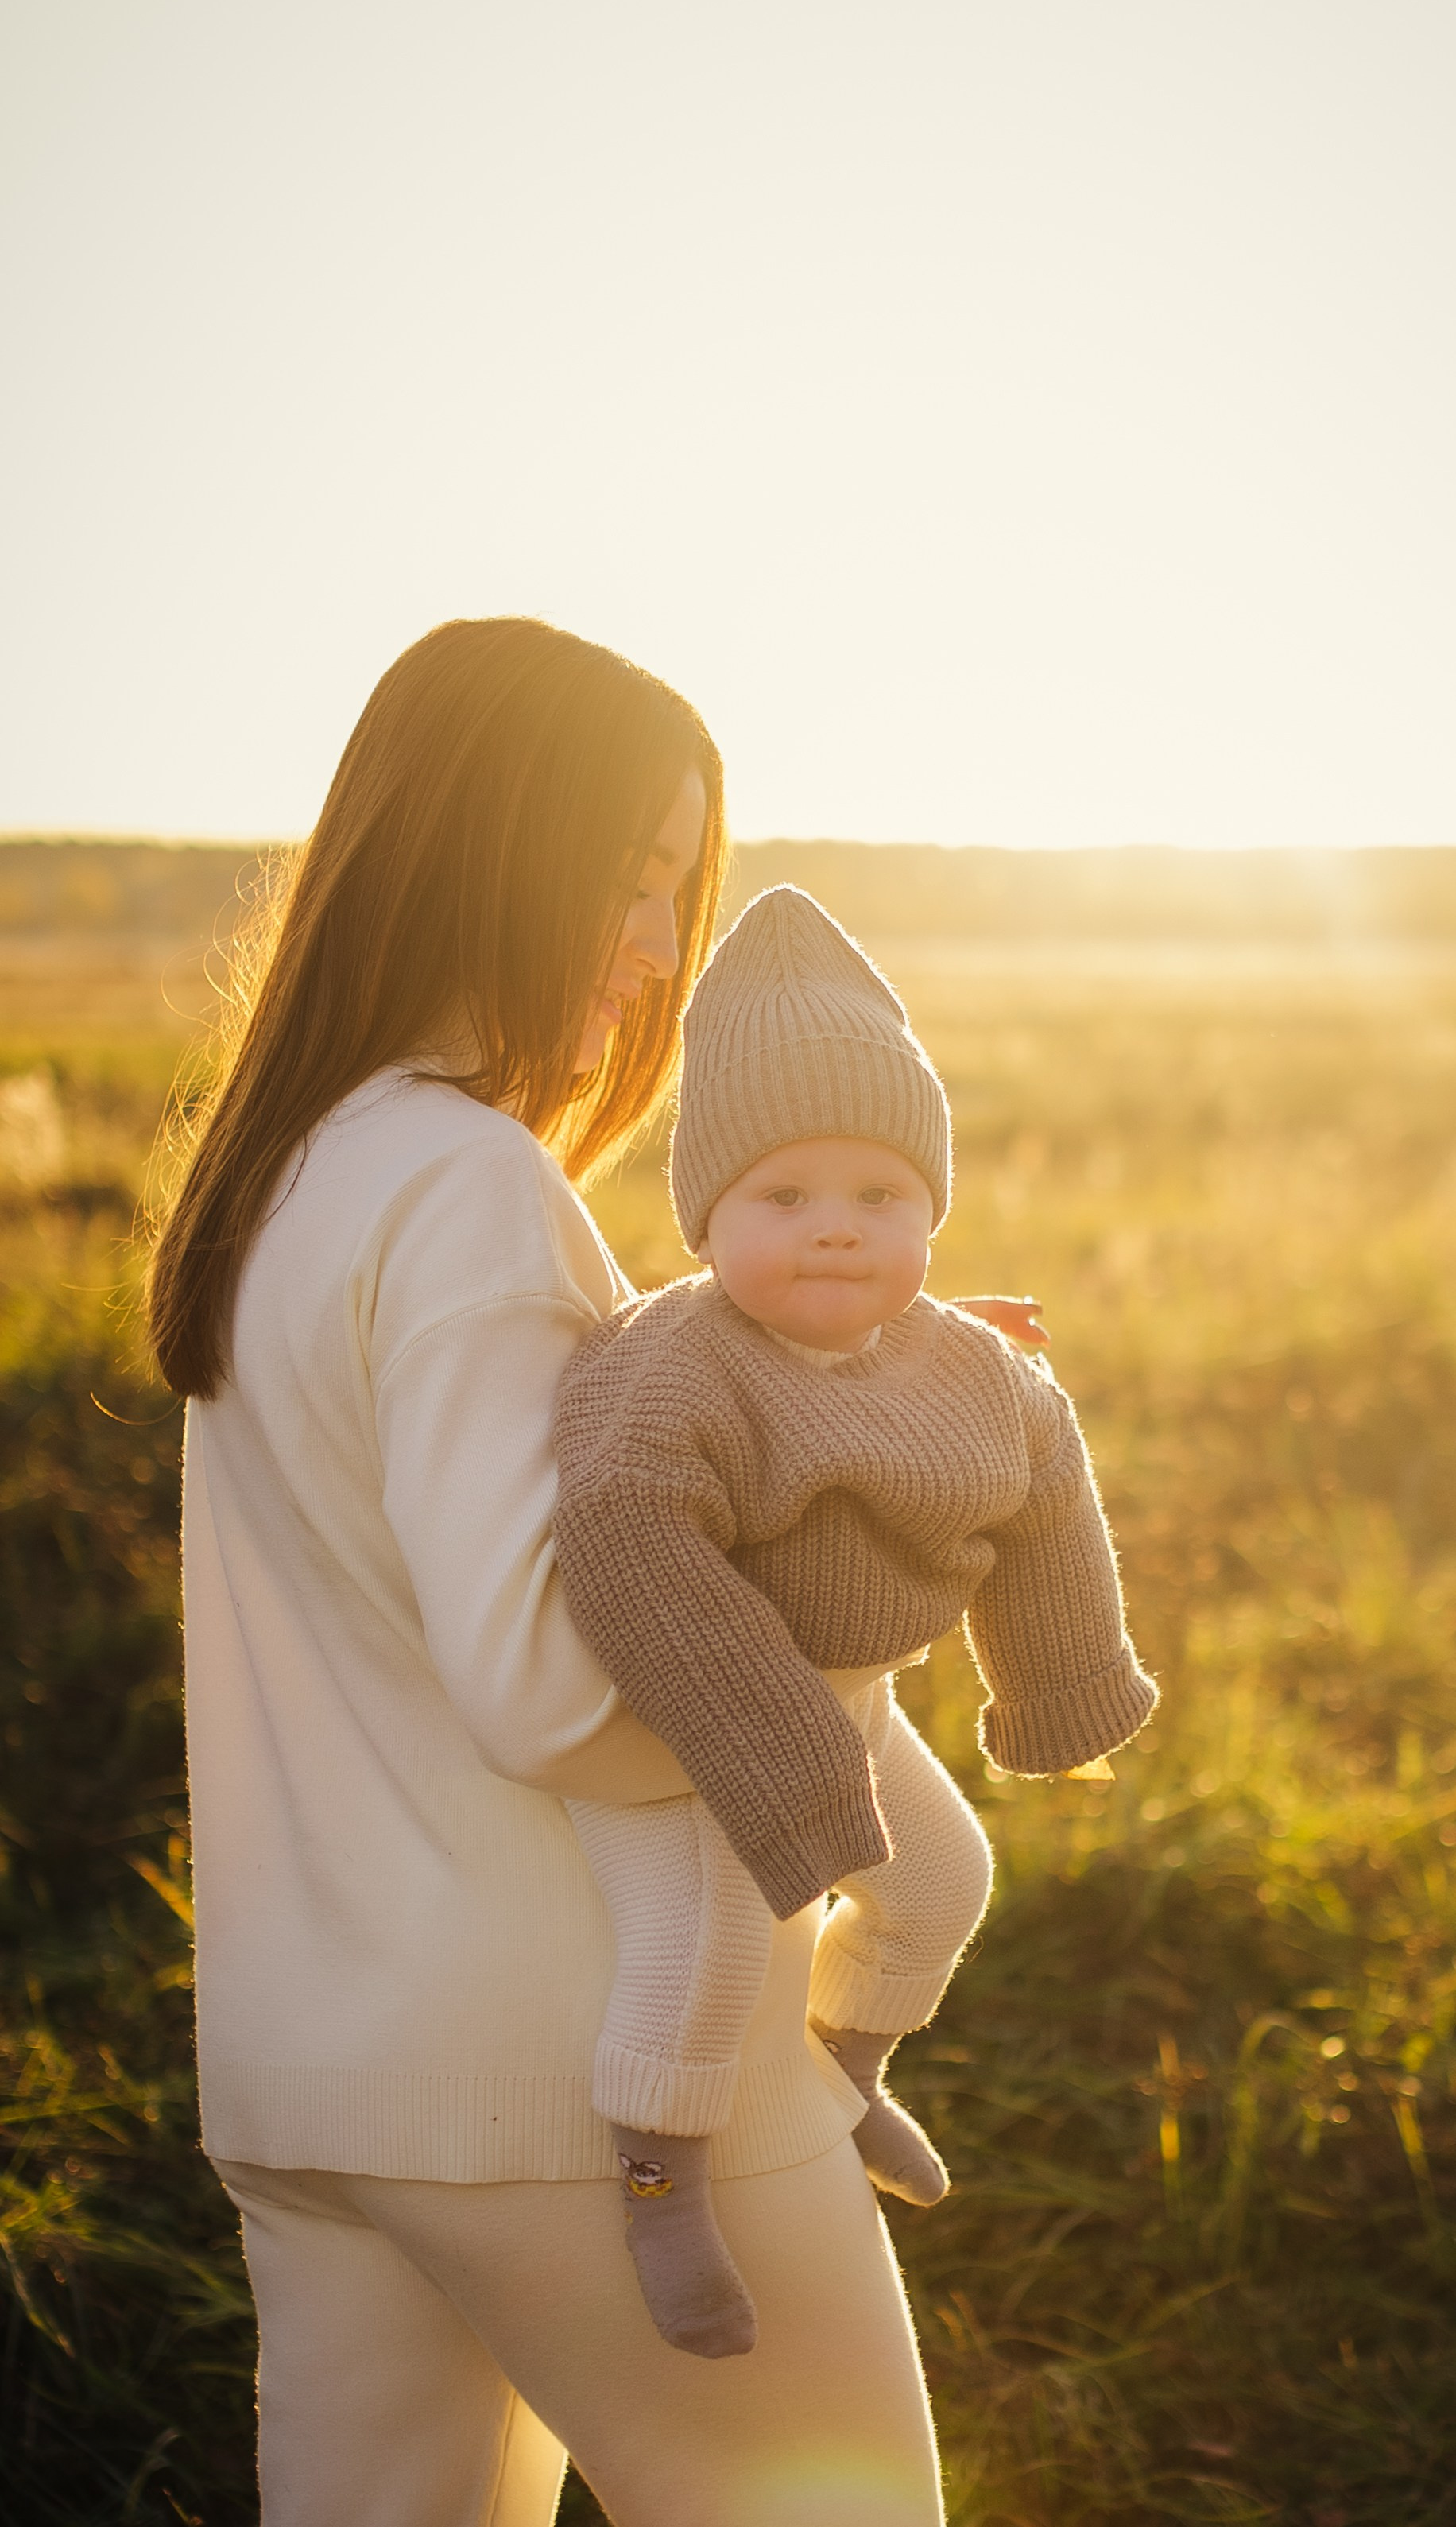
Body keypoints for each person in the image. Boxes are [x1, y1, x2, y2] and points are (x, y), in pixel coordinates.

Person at [147, 617, 1036, 2525]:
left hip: (317, 2075)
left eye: (675, 891)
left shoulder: (290, 1172)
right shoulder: (471, 1187)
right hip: (574, 2076)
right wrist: (860, 1590)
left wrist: (816, 1400)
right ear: (487, 851)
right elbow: (553, 1685)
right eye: (626, 879)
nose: (653, 953)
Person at [553, 886, 1157, 2361]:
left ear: (933, 1214)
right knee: (707, 1947)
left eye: (882, 1197)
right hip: (690, 1718)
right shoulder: (673, 1365)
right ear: (706, 1218)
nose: (836, 1228)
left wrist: (1063, 1688)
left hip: (857, 1703)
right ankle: (660, 2184)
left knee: (942, 1879)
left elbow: (1046, 1502)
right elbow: (627, 1543)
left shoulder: (965, 1362)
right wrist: (782, 1756)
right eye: (785, 1198)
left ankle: (844, 2068)